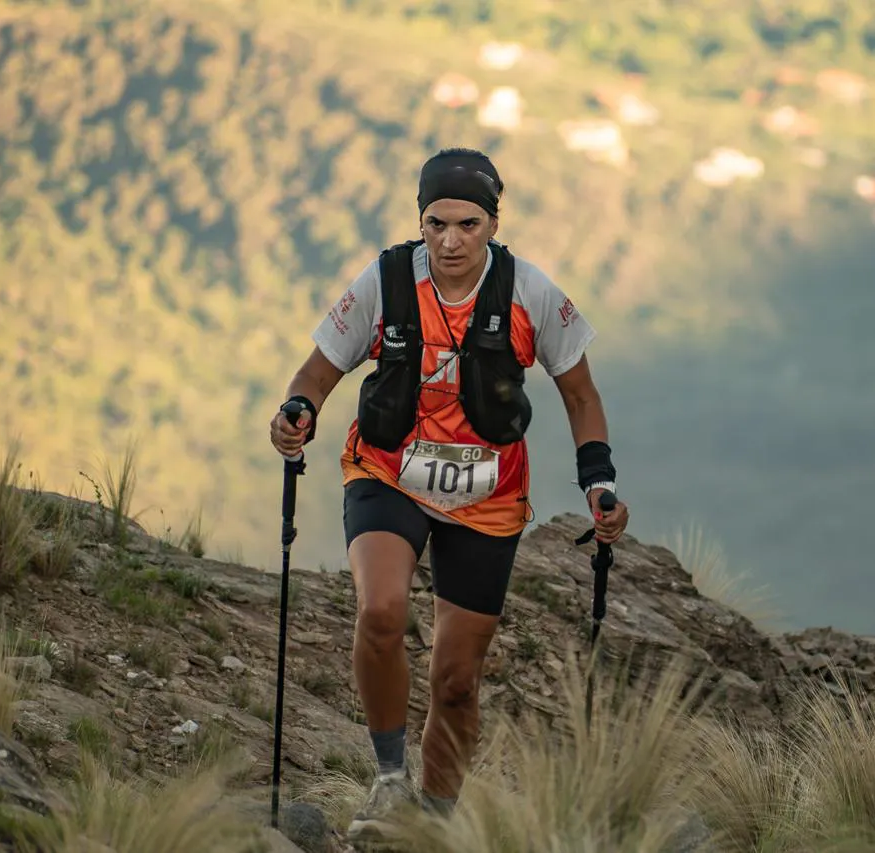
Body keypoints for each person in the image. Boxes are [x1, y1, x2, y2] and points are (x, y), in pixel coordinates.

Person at [267, 147, 630, 843]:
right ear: (420, 221)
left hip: (488, 497)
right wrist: (296, 414)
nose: (450, 240)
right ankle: (388, 780)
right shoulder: (385, 281)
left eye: (468, 223)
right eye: (436, 223)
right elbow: (315, 374)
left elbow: (581, 395)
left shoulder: (531, 293)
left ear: (493, 223)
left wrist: (600, 480)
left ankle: (431, 821)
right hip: (387, 471)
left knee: (456, 679)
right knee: (381, 609)